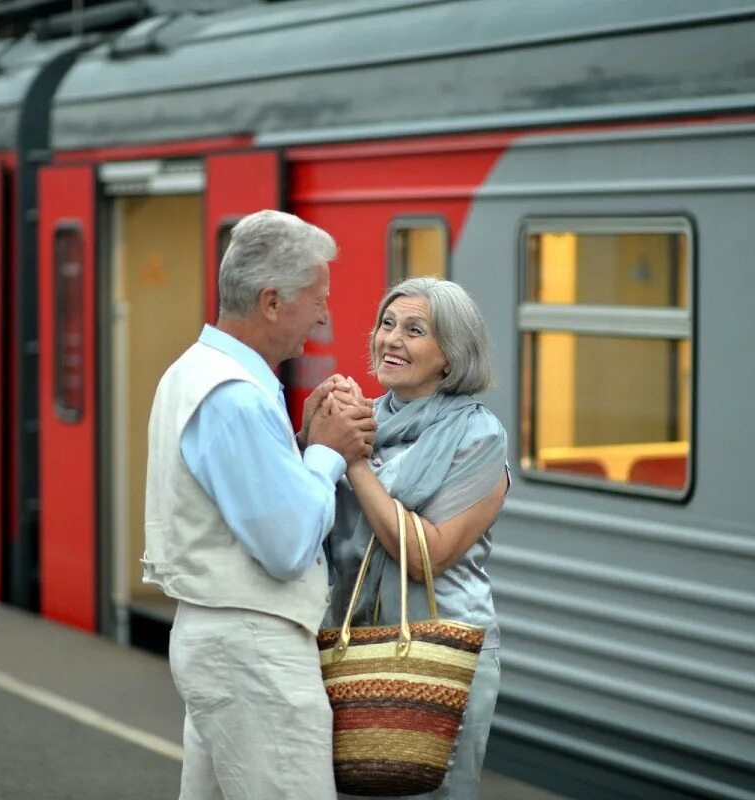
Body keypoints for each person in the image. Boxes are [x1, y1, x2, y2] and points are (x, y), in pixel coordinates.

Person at [140, 210, 376, 800]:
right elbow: (287, 545)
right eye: (317, 299)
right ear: (272, 302)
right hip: (254, 649)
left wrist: (298, 443)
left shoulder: (196, 373)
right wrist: (327, 452)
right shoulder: (236, 398)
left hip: (222, 639)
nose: (324, 316)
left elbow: (243, 497)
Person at [313, 277, 509, 800]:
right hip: (354, 643)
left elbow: (429, 553)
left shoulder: (478, 434)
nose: (391, 339)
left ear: (450, 356)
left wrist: (353, 462)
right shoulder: (361, 419)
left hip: (442, 653)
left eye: (415, 330)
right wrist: (314, 431)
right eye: (387, 323)